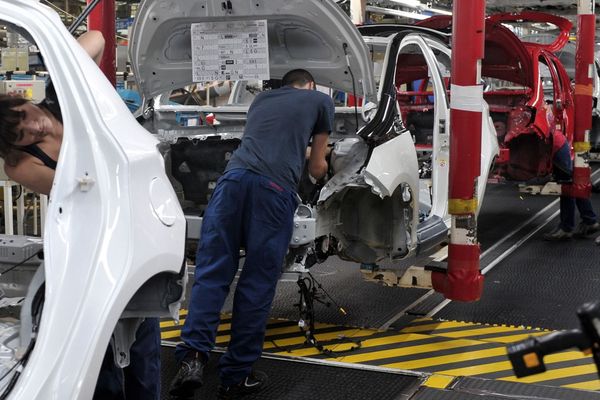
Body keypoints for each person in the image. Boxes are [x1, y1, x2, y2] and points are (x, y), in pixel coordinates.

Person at [0, 31, 162, 400]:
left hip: (131, 233)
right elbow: (78, 189)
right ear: (13, 146)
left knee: (141, 334)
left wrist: (57, 66)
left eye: (26, 116)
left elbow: (98, 39)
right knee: (96, 340)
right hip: (86, 246)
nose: (35, 127)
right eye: (24, 135)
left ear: (20, 100)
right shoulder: (21, 164)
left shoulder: (61, 96)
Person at [170, 69, 334, 399]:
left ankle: (193, 358)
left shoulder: (261, 99)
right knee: (256, 283)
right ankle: (234, 377)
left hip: (231, 184)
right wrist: (327, 169)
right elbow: (316, 166)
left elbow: (270, 141)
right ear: (311, 85)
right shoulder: (321, 101)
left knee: (212, 273)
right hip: (273, 193)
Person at [543, 129, 599, 241]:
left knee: (567, 184)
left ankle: (566, 228)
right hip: (561, 142)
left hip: (556, 145)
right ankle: (589, 220)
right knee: (573, 182)